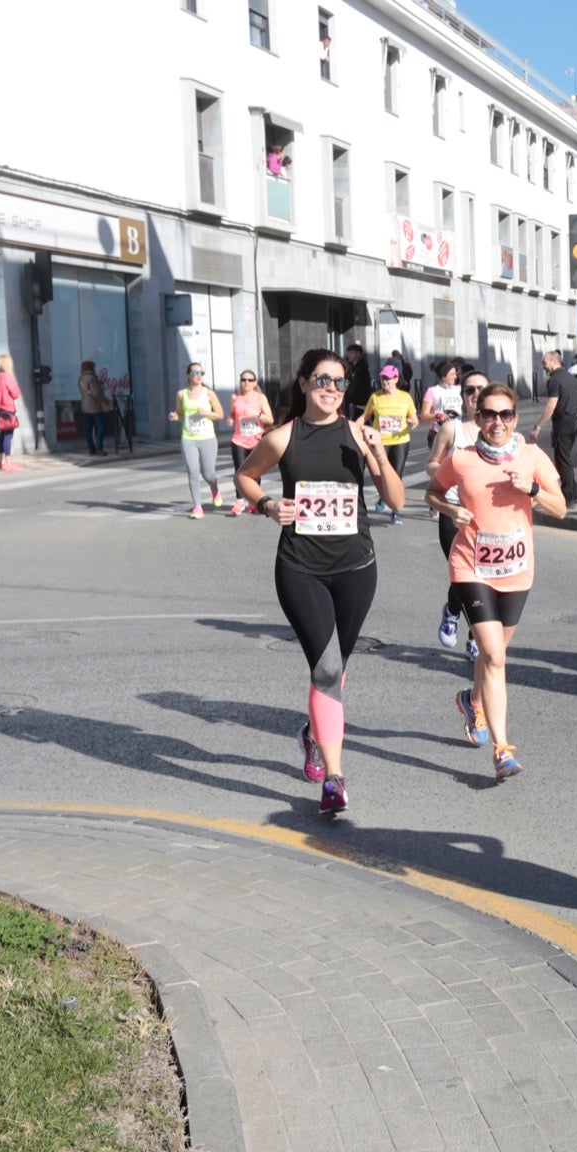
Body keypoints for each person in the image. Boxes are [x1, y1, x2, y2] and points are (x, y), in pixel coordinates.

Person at [233, 348, 403, 815]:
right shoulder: (283, 437)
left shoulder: (358, 435)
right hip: (299, 568)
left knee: (337, 669)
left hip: (356, 568)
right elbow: (245, 477)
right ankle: (334, 778)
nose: (332, 389)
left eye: (340, 383)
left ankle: (313, 733)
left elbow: (397, 500)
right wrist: (267, 505)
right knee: (327, 670)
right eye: (323, 380)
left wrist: (379, 456)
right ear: (304, 383)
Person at [426, 382, 566, 779]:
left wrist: (533, 489)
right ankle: (503, 749)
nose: (498, 422)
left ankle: (472, 702)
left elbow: (561, 508)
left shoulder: (531, 456)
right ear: (478, 418)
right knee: (495, 655)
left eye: (506, 415)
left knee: (492, 656)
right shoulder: (463, 458)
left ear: (515, 418)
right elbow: (433, 492)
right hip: (470, 565)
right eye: (489, 414)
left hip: (516, 570)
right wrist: (450, 510)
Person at [425, 365, 487, 655]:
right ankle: (453, 610)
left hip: (488, 515)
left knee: (484, 576)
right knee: (464, 574)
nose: (475, 395)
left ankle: (476, 632)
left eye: (481, 390)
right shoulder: (453, 428)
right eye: (469, 390)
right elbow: (432, 463)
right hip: (453, 511)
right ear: (462, 396)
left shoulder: (499, 429)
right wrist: (454, 474)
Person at [353, 364, 418, 523]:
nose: (384, 381)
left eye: (387, 378)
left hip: (400, 440)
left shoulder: (405, 397)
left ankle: (395, 510)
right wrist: (355, 427)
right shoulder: (375, 397)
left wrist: (412, 421)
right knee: (381, 474)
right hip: (380, 442)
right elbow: (366, 415)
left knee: (396, 474)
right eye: (382, 378)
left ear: (396, 379)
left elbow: (415, 417)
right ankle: (384, 497)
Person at [170, 362, 224, 518]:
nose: (199, 376)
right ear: (188, 375)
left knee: (208, 474)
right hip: (188, 438)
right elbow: (180, 413)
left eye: (201, 373)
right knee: (193, 472)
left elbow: (220, 414)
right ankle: (198, 507)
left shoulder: (209, 393)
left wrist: (207, 413)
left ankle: (214, 489)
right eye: (195, 373)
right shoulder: (181, 394)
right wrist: (175, 416)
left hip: (207, 438)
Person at [531, 349, 577, 504]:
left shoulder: (554, 380)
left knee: (563, 461)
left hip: (563, 423)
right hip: (573, 421)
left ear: (554, 362)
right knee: (565, 458)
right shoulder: (571, 378)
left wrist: (538, 426)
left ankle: (569, 497)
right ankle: (571, 492)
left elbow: (551, 405)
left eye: (544, 363)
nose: (543, 366)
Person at [227, 368, 274, 514]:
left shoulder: (260, 398)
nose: (246, 382)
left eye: (250, 380)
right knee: (239, 471)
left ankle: (253, 501)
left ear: (254, 383)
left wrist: (257, 414)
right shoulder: (235, 398)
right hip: (238, 440)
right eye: (243, 380)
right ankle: (239, 501)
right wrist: (230, 419)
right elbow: (233, 414)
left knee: (254, 472)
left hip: (256, 440)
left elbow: (270, 419)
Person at [0, 354, 23, 472]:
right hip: (8, 409)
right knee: (8, 436)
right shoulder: (7, 377)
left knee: (2, 436)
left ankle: (1, 461)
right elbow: (16, 393)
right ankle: (8, 461)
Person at [78, 361, 110, 456]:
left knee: (88, 429)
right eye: (94, 366)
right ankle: (99, 447)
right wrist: (105, 400)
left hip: (85, 406)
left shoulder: (81, 378)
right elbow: (97, 393)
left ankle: (92, 449)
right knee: (101, 426)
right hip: (95, 407)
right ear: (91, 367)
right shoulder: (92, 378)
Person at [342, 344, 373, 422]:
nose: (349, 355)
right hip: (354, 404)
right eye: (348, 353)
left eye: (351, 353)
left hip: (359, 405)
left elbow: (357, 387)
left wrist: (353, 399)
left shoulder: (361, 369)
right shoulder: (354, 368)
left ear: (358, 354)